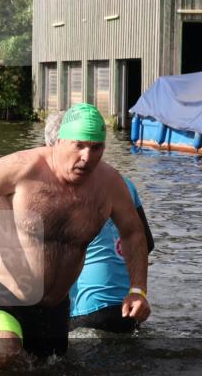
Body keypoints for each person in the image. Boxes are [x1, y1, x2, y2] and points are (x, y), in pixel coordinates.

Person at [0, 103, 149, 362]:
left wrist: (138, 290)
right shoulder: (24, 168)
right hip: (1, 290)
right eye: (79, 145)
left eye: (96, 148)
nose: (87, 157)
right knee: (2, 351)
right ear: (60, 141)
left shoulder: (110, 185)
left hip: (53, 306)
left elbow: (133, 233)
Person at [42, 111, 155, 333]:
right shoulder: (124, 184)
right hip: (129, 308)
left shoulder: (54, 190)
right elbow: (145, 244)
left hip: (85, 310)